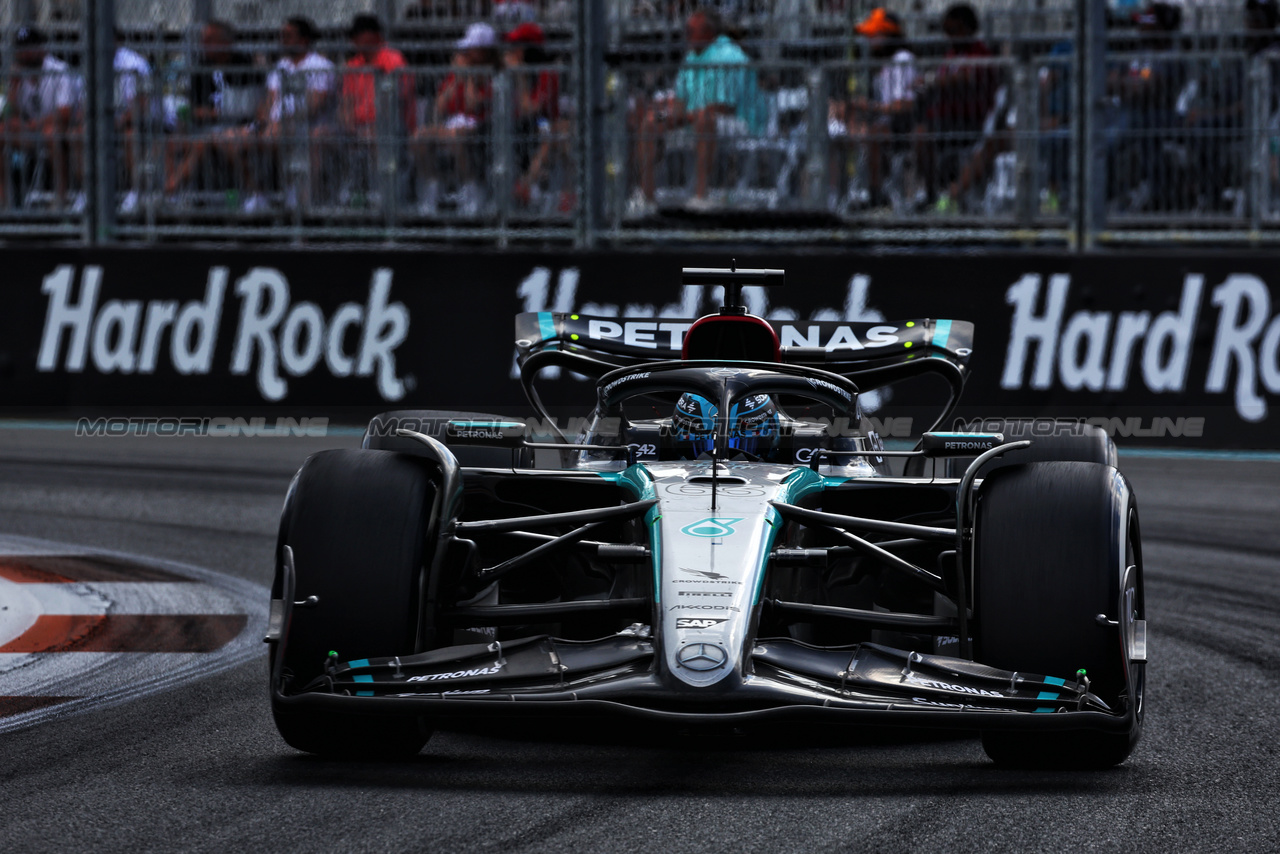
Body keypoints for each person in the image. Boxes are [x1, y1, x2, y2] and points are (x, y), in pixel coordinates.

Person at [632, 9, 764, 214]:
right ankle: (646, 197)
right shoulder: (691, 57)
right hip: (696, 118)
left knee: (705, 119)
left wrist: (683, 115)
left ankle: (701, 196)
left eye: (691, 31)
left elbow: (723, 107)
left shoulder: (729, 55)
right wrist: (664, 112)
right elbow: (681, 102)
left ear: (708, 33)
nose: (686, 35)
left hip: (739, 122)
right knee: (651, 120)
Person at [164, 20, 267, 211]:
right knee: (170, 143)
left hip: (240, 128)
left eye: (209, 40)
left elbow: (253, 108)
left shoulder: (245, 66)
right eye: (204, 40)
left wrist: (215, 113)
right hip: (208, 128)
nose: (203, 44)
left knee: (211, 141)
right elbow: (194, 109)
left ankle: (171, 190)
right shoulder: (201, 67)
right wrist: (210, 113)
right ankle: (175, 195)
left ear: (225, 42)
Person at [912, 3, 1000, 208]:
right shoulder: (951, 55)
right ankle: (933, 193)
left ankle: (951, 195)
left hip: (969, 121)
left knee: (925, 133)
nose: (951, 37)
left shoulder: (980, 53)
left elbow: (965, 77)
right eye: (947, 32)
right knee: (919, 135)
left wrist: (931, 80)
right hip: (943, 119)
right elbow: (942, 78)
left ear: (967, 28)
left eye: (954, 31)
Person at [412, 22, 499, 216]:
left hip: (483, 128)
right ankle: (434, 188)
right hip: (453, 125)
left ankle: (471, 190)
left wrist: (468, 77)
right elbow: (440, 107)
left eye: (471, 50)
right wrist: (458, 78)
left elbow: (472, 105)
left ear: (484, 51)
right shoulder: (456, 75)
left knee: (456, 136)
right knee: (420, 137)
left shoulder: (493, 74)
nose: (465, 54)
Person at [833, 8, 916, 209]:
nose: (869, 41)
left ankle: (875, 195)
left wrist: (868, 106)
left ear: (889, 36)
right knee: (838, 132)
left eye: (875, 35)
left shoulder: (902, 59)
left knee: (874, 135)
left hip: (902, 126)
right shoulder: (881, 65)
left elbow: (903, 105)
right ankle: (837, 195)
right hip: (884, 122)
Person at [1, 26, 83, 211]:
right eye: (21, 49)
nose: (25, 54)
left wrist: (32, 125)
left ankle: (60, 199)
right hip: (31, 131)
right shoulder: (17, 75)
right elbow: (8, 115)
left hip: (59, 129)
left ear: (42, 49)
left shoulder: (59, 70)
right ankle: (3, 200)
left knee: (52, 134)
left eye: (30, 48)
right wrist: (13, 89)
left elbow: (64, 113)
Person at [336, 14, 414, 207]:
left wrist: (373, 128)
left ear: (373, 36)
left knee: (377, 139)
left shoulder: (392, 59)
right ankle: (347, 197)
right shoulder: (353, 64)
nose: (355, 42)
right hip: (359, 128)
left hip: (393, 125)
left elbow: (397, 99)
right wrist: (350, 126)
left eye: (360, 36)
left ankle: (384, 199)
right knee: (324, 136)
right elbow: (346, 103)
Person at [262, 17, 336, 208]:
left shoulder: (320, 65)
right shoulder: (281, 66)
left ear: (303, 40)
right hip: (275, 126)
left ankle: (301, 203)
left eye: (288, 36)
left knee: (286, 137)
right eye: (282, 36)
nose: (283, 40)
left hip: (309, 125)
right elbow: (269, 101)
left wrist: (285, 122)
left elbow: (315, 104)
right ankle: (258, 196)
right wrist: (265, 121)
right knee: (233, 139)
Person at [504, 22, 571, 212]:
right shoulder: (504, 73)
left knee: (556, 134)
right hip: (513, 129)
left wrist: (521, 77)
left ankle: (526, 188)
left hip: (540, 125)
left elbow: (530, 110)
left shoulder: (546, 73)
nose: (512, 52)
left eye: (518, 47)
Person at [114, 30, 152, 215]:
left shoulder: (135, 63)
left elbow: (142, 105)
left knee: (130, 135)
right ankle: (85, 191)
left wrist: (116, 121)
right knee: (79, 133)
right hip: (108, 122)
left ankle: (136, 191)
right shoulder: (92, 61)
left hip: (142, 122)